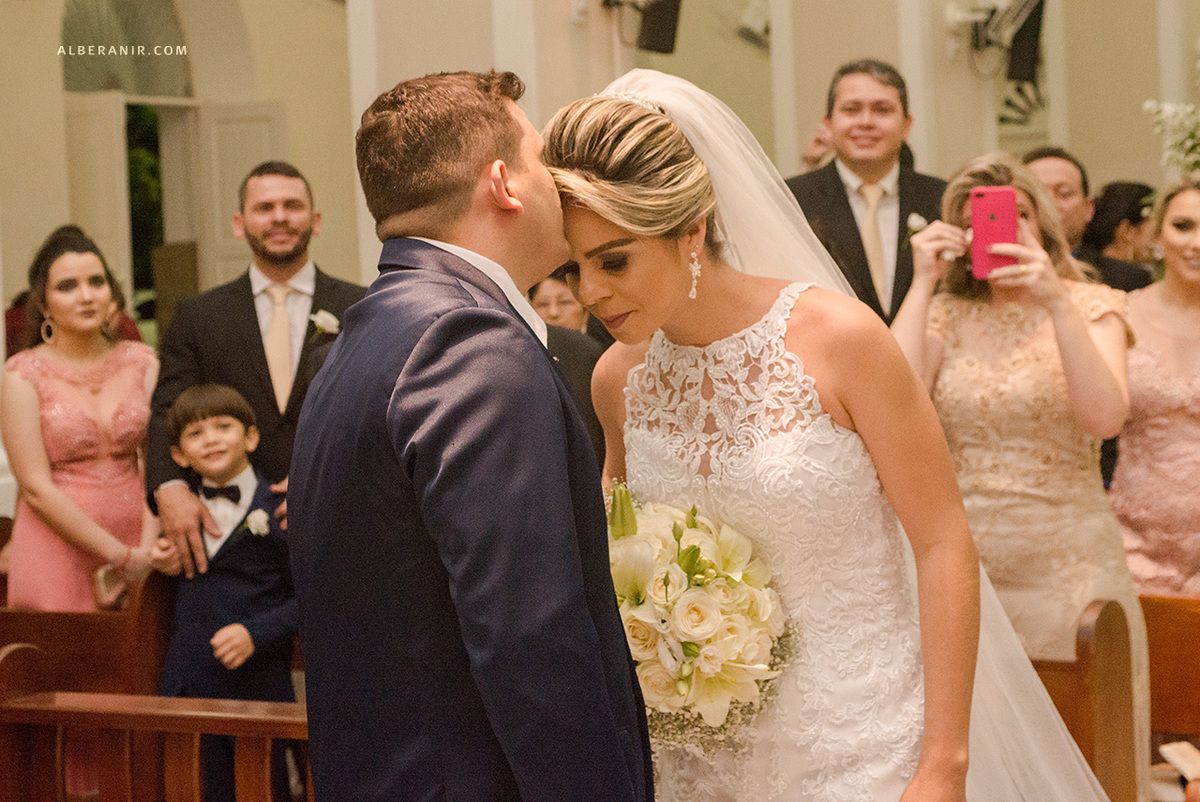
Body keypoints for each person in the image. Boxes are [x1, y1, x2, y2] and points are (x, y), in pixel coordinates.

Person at [544, 68, 1107, 801]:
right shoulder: (618, 379)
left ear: (690, 232)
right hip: (697, 760)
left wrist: (944, 762)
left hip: (861, 747)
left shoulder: (839, 340)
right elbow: (623, 558)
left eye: (614, 260)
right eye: (573, 267)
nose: (590, 292)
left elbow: (942, 541)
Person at [288, 70, 653, 800]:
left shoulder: (362, 335)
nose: (561, 184)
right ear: (503, 184)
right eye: (542, 159)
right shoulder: (472, 345)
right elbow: (532, 635)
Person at [891, 151, 1151, 800]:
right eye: (976, 220)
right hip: (968, 567)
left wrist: (1056, 301)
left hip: (1070, 566)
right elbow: (894, 406)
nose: (999, 230)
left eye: (1018, 215)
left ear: (1041, 224)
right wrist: (921, 284)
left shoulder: (1095, 305)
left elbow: (1104, 418)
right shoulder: (947, 312)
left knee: (1092, 739)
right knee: (980, 753)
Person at [147, 161, 364, 578]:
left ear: (316, 221)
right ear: (239, 223)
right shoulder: (199, 316)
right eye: (264, 208)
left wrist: (331, 484)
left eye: (292, 206)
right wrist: (168, 487)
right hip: (229, 541)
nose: (279, 217)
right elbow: (167, 410)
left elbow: (377, 416)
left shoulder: (360, 307)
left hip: (339, 523)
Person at [0, 225, 158, 796]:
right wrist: (118, 555)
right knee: (66, 689)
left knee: (136, 680)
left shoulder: (144, 361)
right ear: (43, 302)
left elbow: (161, 462)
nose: (86, 295)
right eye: (68, 286)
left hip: (141, 536)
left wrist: (147, 547)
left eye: (96, 281)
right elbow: (35, 485)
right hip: (57, 545)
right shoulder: (21, 374)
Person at [151, 384, 296, 802]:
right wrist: (158, 559)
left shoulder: (280, 511)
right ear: (179, 455)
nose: (211, 439)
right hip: (188, 685)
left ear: (251, 437)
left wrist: (256, 633)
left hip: (257, 687)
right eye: (195, 433)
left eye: (223, 426)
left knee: (262, 791)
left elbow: (312, 600)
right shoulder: (177, 517)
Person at [785, 59, 946, 322]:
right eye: (851, 110)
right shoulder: (791, 200)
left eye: (882, 110)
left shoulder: (942, 199)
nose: (866, 122)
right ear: (828, 123)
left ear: (907, 125)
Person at [1110, 180, 1200, 596]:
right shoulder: (1120, 314)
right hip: (1134, 545)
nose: (1196, 243)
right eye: (1183, 226)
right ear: (1158, 233)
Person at [1024, 147, 1153, 293]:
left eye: (1064, 194)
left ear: (1088, 208)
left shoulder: (1127, 279)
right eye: (1039, 194)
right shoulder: (1002, 275)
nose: (1050, 205)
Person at [1081, 181, 1156, 268]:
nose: (1159, 242)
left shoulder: (1082, 267)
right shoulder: (1132, 275)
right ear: (1127, 230)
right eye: (1155, 234)